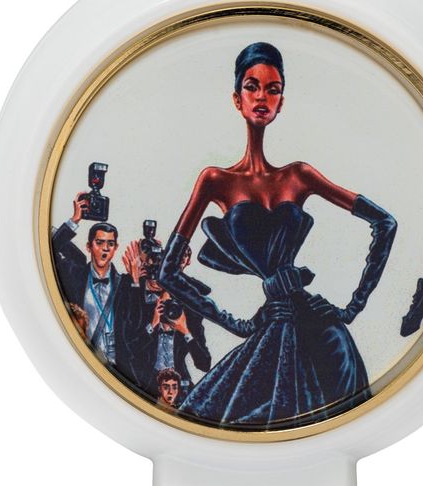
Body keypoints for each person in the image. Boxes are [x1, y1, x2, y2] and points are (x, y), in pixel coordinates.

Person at [159, 42, 398, 427]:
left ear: (281, 102)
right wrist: (240, 325)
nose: (262, 97)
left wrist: (351, 309)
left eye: (272, 90)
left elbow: (385, 223)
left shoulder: (299, 175)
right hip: (274, 326)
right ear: (236, 99)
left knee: (337, 420)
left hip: (322, 329)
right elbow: (167, 272)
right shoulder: (215, 180)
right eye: (252, 87)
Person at [50, 193, 153, 383]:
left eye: (110, 244)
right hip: (79, 362)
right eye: (99, 242)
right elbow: (48, 251)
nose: (105, 248)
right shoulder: (74, 274)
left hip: (117, 369)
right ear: (88, 246)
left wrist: (136, 281)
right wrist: (75, 219)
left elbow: (136, 326)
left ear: (115, 248)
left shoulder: (125, 283)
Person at [120, 236, 211, 402]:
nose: (156, 281)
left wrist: (185, 331)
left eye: (161, 275)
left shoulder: (186, 313)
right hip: (146, 385)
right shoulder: (142, 306)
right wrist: (153, 323)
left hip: (179, 388)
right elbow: (130, 349)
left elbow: (204, 364)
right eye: (153, 274)